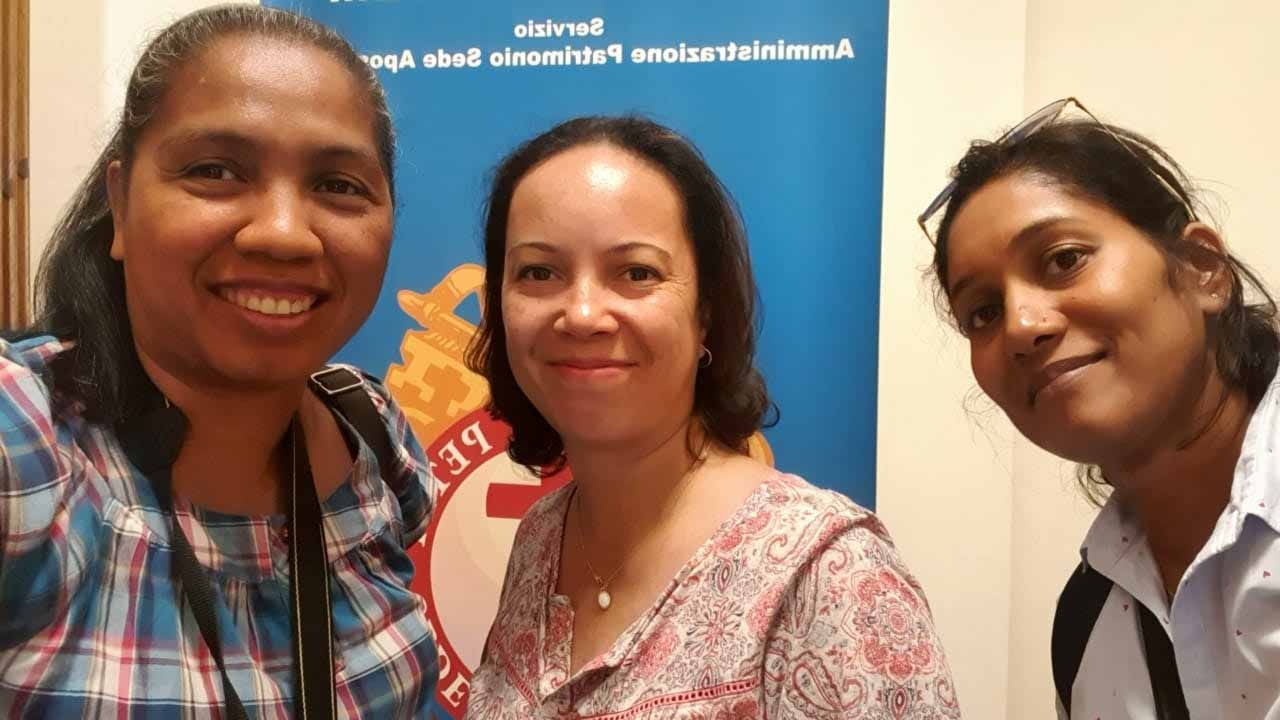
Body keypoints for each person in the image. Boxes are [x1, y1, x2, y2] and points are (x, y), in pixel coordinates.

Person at [0, 6, 437, 718]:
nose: (285, 234)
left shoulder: (372, 433)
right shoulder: (25, 448)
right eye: (215, 171)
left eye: (338, 185)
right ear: (120, 203)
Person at [461, 115, 959, 719]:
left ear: (706, 313)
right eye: (539, 272)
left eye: (637, 272)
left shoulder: (832, 577)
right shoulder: (541, 538)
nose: (583, 314)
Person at [920, 97, 1280, 719]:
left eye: (1064, 260)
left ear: (1202, 269)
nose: (1020, 326)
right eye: (983, 312)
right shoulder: (1085, 624)